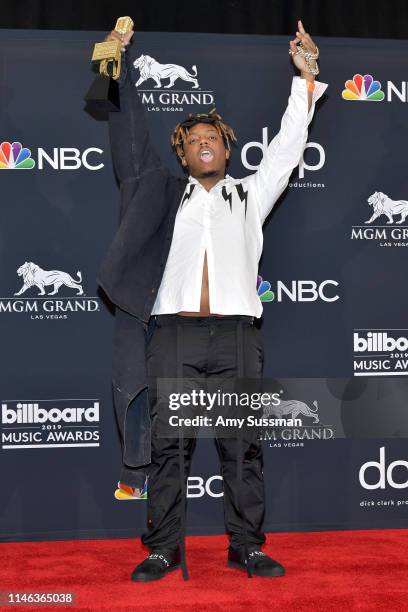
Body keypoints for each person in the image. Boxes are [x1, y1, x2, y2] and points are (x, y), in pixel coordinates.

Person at [98, 19, 327, 582]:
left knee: (241, 449)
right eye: (192, 141)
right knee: (170, 451)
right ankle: (163, 548)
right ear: (183, 154)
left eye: (212, 139)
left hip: (236, 336)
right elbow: (131, 141)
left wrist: (305, 80)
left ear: (227, 148)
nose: (203, 144)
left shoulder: (250, 193)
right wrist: (117, 66)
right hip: (173, 334)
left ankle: (246, 546)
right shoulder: (164, 198)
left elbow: (289, 145)